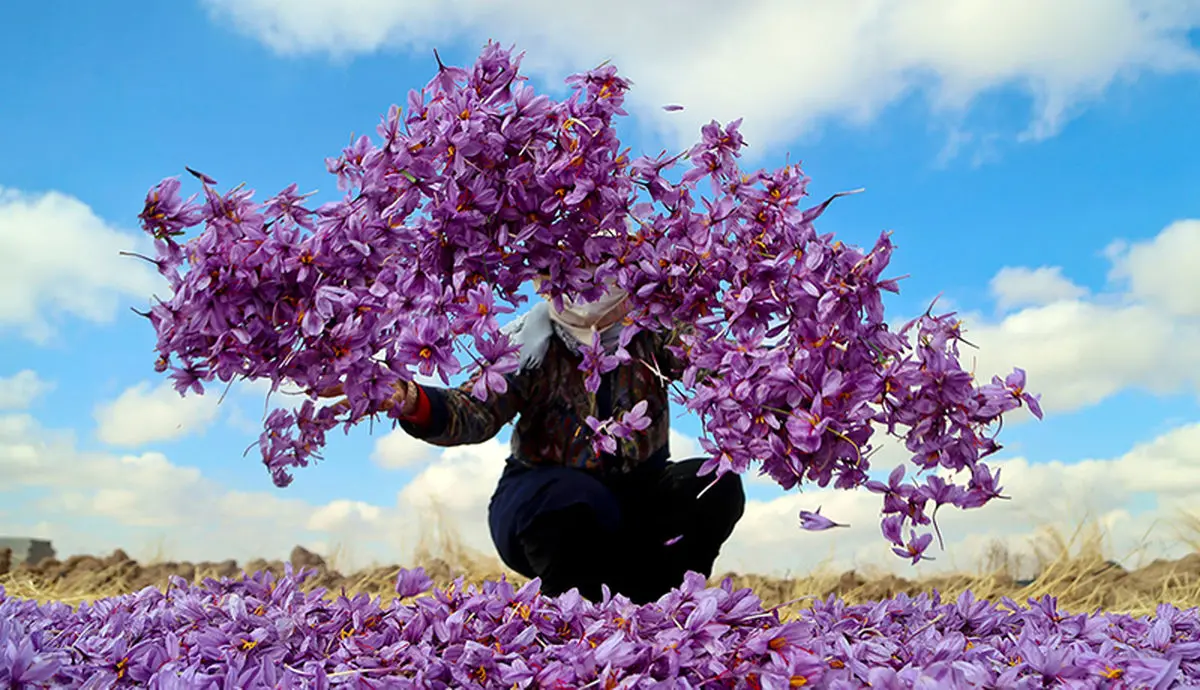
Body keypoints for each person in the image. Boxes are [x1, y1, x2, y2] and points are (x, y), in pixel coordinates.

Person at [329, 272, 745, 604]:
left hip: (638, 502)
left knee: (716, 481)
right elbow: (472, 410)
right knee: (578, 498)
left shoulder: (657, 334)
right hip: (543, 502)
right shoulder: (527, 342)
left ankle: (663, 603)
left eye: (604, 264)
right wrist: (411, 399)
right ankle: (572, 619)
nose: (588, 283)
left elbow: (724, 374)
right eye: (571, 268)